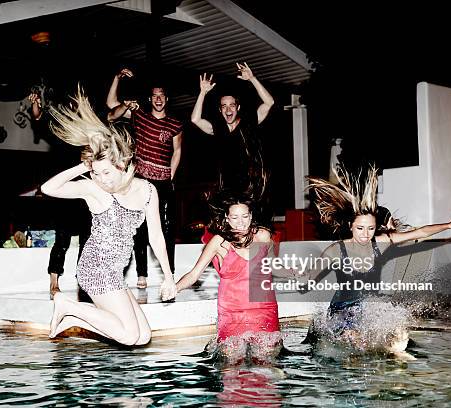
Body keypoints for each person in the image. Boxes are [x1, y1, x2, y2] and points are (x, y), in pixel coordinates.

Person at [40, 88, 176, 345]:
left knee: (143, 337)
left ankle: (74, 319)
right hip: (95, 268)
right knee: (128, 335)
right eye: (96, 173)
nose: (101, 179)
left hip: (115, 271)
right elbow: (48, 189)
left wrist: (169, 277)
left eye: (106, 173)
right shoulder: (95, 190)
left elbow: (157, 236)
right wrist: (84, 166)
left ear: (122, 164)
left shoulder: (148, 190)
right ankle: (69, 306)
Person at [301, 164, 451, 351]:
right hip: (342, 311)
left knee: (396, 331)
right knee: (359, 343)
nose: (366, 234)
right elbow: (309, 277)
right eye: (360, 228)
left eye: (371, 228)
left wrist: (449, 225)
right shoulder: (336, 250)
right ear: (350, 226)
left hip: (366, 308)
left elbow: (419, 232)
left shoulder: (380, 243)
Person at [170, 192, 282, 364]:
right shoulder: (218, 242)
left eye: (245, 216)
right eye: (235, 217)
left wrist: (298, 273)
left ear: (251, 216)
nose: (241, 222)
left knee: (267, 365)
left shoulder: (263, 236)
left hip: (263, 309)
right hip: (232, 313)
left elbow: (274, 266)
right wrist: (174, 288)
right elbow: (194, 275)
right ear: (227, 219)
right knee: (231, 366)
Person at [106, 68, 183, 289]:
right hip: (140, 180)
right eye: (155, 96)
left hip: (163, 180)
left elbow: (177, 151)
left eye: (162, 96)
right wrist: (117, 78)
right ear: (150, 99)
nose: (158, 99)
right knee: (140, 226)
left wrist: (171, 175)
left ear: (166, 99)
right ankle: (142, 274)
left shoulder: (176, 124)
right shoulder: (139, 114)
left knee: (168, 227)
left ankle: (171, 272)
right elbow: (112, 105)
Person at [28, 91, 91, 299]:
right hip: (63, 191)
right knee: (62, 239)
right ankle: (54, 281)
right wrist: (36, 105)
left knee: (86, 238)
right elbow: (37, 118)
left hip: (82, 192)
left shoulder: (86, 132)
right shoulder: (58, 130)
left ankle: (83, 280)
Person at [190, 62, 274, 198]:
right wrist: (202, 93)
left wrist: (252, 78)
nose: (228, 110)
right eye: (224, 106)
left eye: (232, 106)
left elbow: (269, 102)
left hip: (252, 188)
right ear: (220, 110)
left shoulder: (249, 123)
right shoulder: (217, 129)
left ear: (238, 108)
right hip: (227, 190)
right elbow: (195, 119)